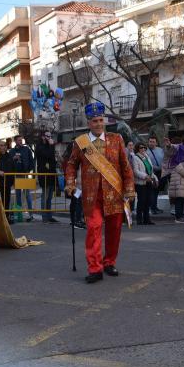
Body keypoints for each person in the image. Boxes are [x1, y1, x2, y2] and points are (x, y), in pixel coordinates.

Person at [65, 102, 135, 283]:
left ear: (104, 121)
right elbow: (71, 165)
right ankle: (95, 268)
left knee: (114, 230)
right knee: (94, 229)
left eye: (100, 120)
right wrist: (70, 184)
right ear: (89, 123)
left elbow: (125, 166)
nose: (98, 124)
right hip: (91, 196)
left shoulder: (116, 139)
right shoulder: (81, 143)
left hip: (114, 193)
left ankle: (109, 262)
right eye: (94, 121)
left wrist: (129, 188)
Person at [9, 135, 35, 222]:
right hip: (16, 175)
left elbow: (31, 160)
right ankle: (19, 215)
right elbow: (9, 163)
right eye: (19, 140)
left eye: (21, 140)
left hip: (25, 174)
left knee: (27, 194)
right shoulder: (12, 151)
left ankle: (31, 215)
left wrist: (28, 170)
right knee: (18, 195)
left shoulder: (26, 149)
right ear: (15, 141)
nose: (21, 142)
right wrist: (13, 158)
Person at [166, 133, 184, 224]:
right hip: (179, 180)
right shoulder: (176, 156)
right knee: (179, 199)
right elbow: (179, 168)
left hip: (179, 180)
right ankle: (178, 217)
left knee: (180, 199)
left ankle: (179, 215)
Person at [35, 131, 58, 223]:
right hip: (44, 174)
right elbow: (47, 155)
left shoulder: (49, 146)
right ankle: (44, 217)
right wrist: (51, 146)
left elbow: (52, 158)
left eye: (50, 136)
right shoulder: (40, 147)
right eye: (47, 136)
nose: (49, 138)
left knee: (49, 197)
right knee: (45, 195)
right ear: (43, 137)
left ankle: (49, 216)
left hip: (51, 173)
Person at [132, 142, 158, 225]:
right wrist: (145, 176)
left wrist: (155, 179)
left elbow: (150, 170)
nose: (143, 149)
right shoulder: (135, 158)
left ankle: (147, 219)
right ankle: (139, 219)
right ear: (137, 149)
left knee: (148, 201)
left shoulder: (147, 157)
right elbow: (135, 171)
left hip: (149, 182)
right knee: (141, 201)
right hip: (141, 183)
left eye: (144, 148)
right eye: (141, 148)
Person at [62, 142, 85, 229]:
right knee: (77, 201)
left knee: (77, 201)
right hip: (75, 184)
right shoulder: (71, 157)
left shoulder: (76, 156)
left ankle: (76, 219)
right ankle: (76, 220)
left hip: (78, 183)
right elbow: (69, 169)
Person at [0, 140, 15, 224]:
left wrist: (12, 181)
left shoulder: (9, 156)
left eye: (3, 145)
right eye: (0, 145)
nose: (1, 147)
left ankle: (6, 218)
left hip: (7, 182)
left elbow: (12, 168)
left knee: (6, 200)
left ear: (6, 147)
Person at [146, 136, 164, 215]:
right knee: (152, 191)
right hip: (151, 173)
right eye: (150, 141)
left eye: (153, 142)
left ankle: (155, 207)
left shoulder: (160, 150)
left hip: (161, 172)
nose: (152, 143)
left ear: (156, 143)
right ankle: (152, 208)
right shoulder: (146, 151)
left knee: (157, 191)